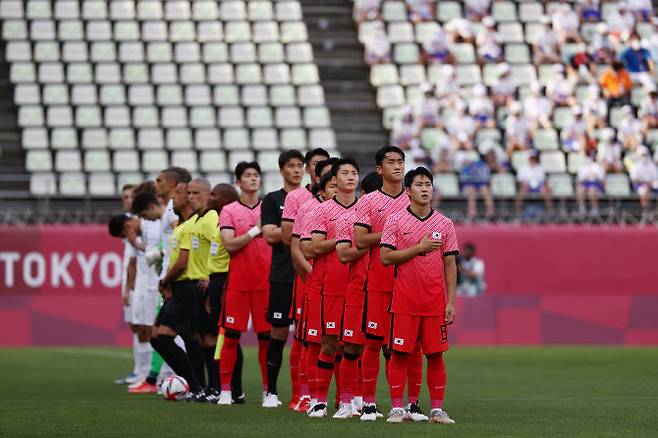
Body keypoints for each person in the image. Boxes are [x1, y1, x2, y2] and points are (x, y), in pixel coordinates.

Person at [380, 166, 458, 425]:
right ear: (408, 190)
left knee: (435, 355)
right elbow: (386, 257)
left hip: (434, 302)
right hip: (404, 300)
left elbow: (450, 264)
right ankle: (396, 408)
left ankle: (437, 410)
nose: (425, 189)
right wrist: (419, 248)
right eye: (419, 185)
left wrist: (450, 302)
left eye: (428, 184)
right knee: (400, 354)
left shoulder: (445, 223)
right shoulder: (395, 220)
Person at [354, 146, 424, 422]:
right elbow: (360, 240)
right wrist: (392, 233)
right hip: (378, 282)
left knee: (410, 346)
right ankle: (369, 404)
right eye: (391, 162)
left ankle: (412, 405)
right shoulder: (368, 202)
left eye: (401, 161)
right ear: (379, 169)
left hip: (410, 285)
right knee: (372, 343)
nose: (397, 166)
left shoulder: (416, 199)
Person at [305, 159, 361, 419]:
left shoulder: (366, 209)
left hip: (359, 287)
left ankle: (349, 402)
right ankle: (318, 401)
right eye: (345, 173)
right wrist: (342, 239)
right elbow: (313, 248)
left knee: (353, 347)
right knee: (328, 345)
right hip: (330, 286)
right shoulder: (322, 210)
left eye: (354, 173)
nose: (350, 177)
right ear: (334, 180)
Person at [217, 162, 273, 406]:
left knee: (266, 338)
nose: (253, 179)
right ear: (238, 182)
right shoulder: (228, 210)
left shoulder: (269, 207)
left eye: (256, 175)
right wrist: (254, 231)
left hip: (265, 283)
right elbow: (229, 244)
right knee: (230, 337)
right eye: (248, 175)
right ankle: (226, 391)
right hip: (238, 284)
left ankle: (268, 392)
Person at [279, 149, 330, 409]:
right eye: (317, 165)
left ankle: (341, 399)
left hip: (335, 280)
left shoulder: (342, 202)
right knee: (304, 335)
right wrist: (310, 274)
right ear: (310, 169)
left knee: (335, 339)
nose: (322, 169)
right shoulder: (298, 198)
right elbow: (290, 239)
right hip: (307, 276)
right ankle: (301, 394)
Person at [150, 181, 206, 402]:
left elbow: (184, 262)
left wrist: (165, 280)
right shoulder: (183, 225)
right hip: (178, 286)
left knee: (166, 337)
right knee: (166, 337)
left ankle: (197, 385)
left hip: (187, 285)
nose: (176, 196)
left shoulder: (192, 224)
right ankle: (197, 385)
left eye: (181, 192)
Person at [290, 159, 338, 413]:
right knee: (312, 340)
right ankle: (306, 395)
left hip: (342, 286)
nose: (337, 187)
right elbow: (298, 248)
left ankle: (344, 399)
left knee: (343, 343)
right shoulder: (309, 210)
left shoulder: (353, 210)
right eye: (332, 183)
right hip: (315, 283)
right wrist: (312, 276)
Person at [335, 172, 382, 418]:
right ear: (364, 196)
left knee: (385, 349)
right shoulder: (348, 221)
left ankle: (371, 402)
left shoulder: (397, 220)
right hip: (356, 291)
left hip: (385, 292)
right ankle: (346, 402)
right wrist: (369, 242)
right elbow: (343, 255)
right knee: (352, 349)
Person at [261, 150, 306, 408]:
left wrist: (288, 230)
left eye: (300, 166)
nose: (297, 170)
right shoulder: (272, 200)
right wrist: (293, 231)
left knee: (305, 334)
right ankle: (271, 392)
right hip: (282, 273)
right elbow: (269, 235)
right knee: (277, 332)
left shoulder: (311, 198)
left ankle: (303, 395)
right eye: (291, 166)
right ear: (281, 170)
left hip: (306, 273)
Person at [113, 184, 139, 385]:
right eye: (124, 196)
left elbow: (136, 258)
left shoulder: (139, 223)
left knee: (144, 327)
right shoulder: (127, 223)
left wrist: (129, 286)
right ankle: (139, 370)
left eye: (131, 196)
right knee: (135, 326)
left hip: (142, 282)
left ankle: (145, 372)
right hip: (131, 279)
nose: (127, 200)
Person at [515, 151, 553, 215]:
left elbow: (543, 181)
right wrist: (525, 185)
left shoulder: (541, 168)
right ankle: (518, 212)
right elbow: (520, 182)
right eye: (531, 158)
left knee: (546, 192)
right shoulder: (523, 168)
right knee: (521, 192)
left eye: (534, 158)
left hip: (538, 186)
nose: (533, 160)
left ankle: (549, 212)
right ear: (529, 159)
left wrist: (545, 187)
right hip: (527, 185)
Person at [459, 154, 495, 219]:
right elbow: (462, 178)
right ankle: (472, 213)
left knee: (485, 190)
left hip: (480, 184)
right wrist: (474, 178)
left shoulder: (482, 165)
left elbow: (486, 177)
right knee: (471, 191)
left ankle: (490, 212)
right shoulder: (465, 166)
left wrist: (475, 178)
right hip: (468, 185)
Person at [630, 146, 658, 211]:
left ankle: (655, 212)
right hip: (639, 186)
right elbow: (634, 180)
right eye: (642, 155)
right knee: (644, 191)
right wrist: (646, 183)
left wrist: (649, 184)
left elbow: (655, 178)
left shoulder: (651, 165)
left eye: (645, 154)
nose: (644, 157)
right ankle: (646, 212)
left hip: (651, 185)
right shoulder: (635, 166)